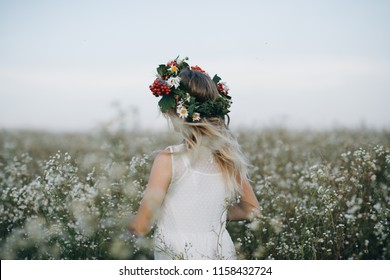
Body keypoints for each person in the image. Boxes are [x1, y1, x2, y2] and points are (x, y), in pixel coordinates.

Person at [129, 57, 260, 260]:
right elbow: (251, 209)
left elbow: (141, 227)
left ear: (175, 113)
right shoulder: (227, 157)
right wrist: (215, 214)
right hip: (221, 252)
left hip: (178, 254)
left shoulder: (169, 159)